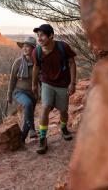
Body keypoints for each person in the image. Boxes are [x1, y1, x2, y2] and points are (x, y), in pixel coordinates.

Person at [32, 24, 77, 154]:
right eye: (38, 36)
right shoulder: (37, 51)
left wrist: (72, 83)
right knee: (45, 107)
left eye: (42, 35)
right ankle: (42, 138)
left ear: (51, 36)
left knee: (63, 110)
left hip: (63, 84)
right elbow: (36, 67)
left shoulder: (63, 47)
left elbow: (72, 63)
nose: (39, 38)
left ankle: (63, 128)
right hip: (47, 83)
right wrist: (34, 85)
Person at [7, 36, 38, 144]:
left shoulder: (37, 63)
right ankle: (32, 129)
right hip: (19, 92)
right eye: (23, 46)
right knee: (28, 104)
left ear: (33, 49)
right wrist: (9, 94)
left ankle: (22, 140)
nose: (24, 48)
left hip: (33, 94)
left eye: (27, 47)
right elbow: (12, 79)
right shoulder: (18, 62)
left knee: (28, 117)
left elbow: (41, 79)